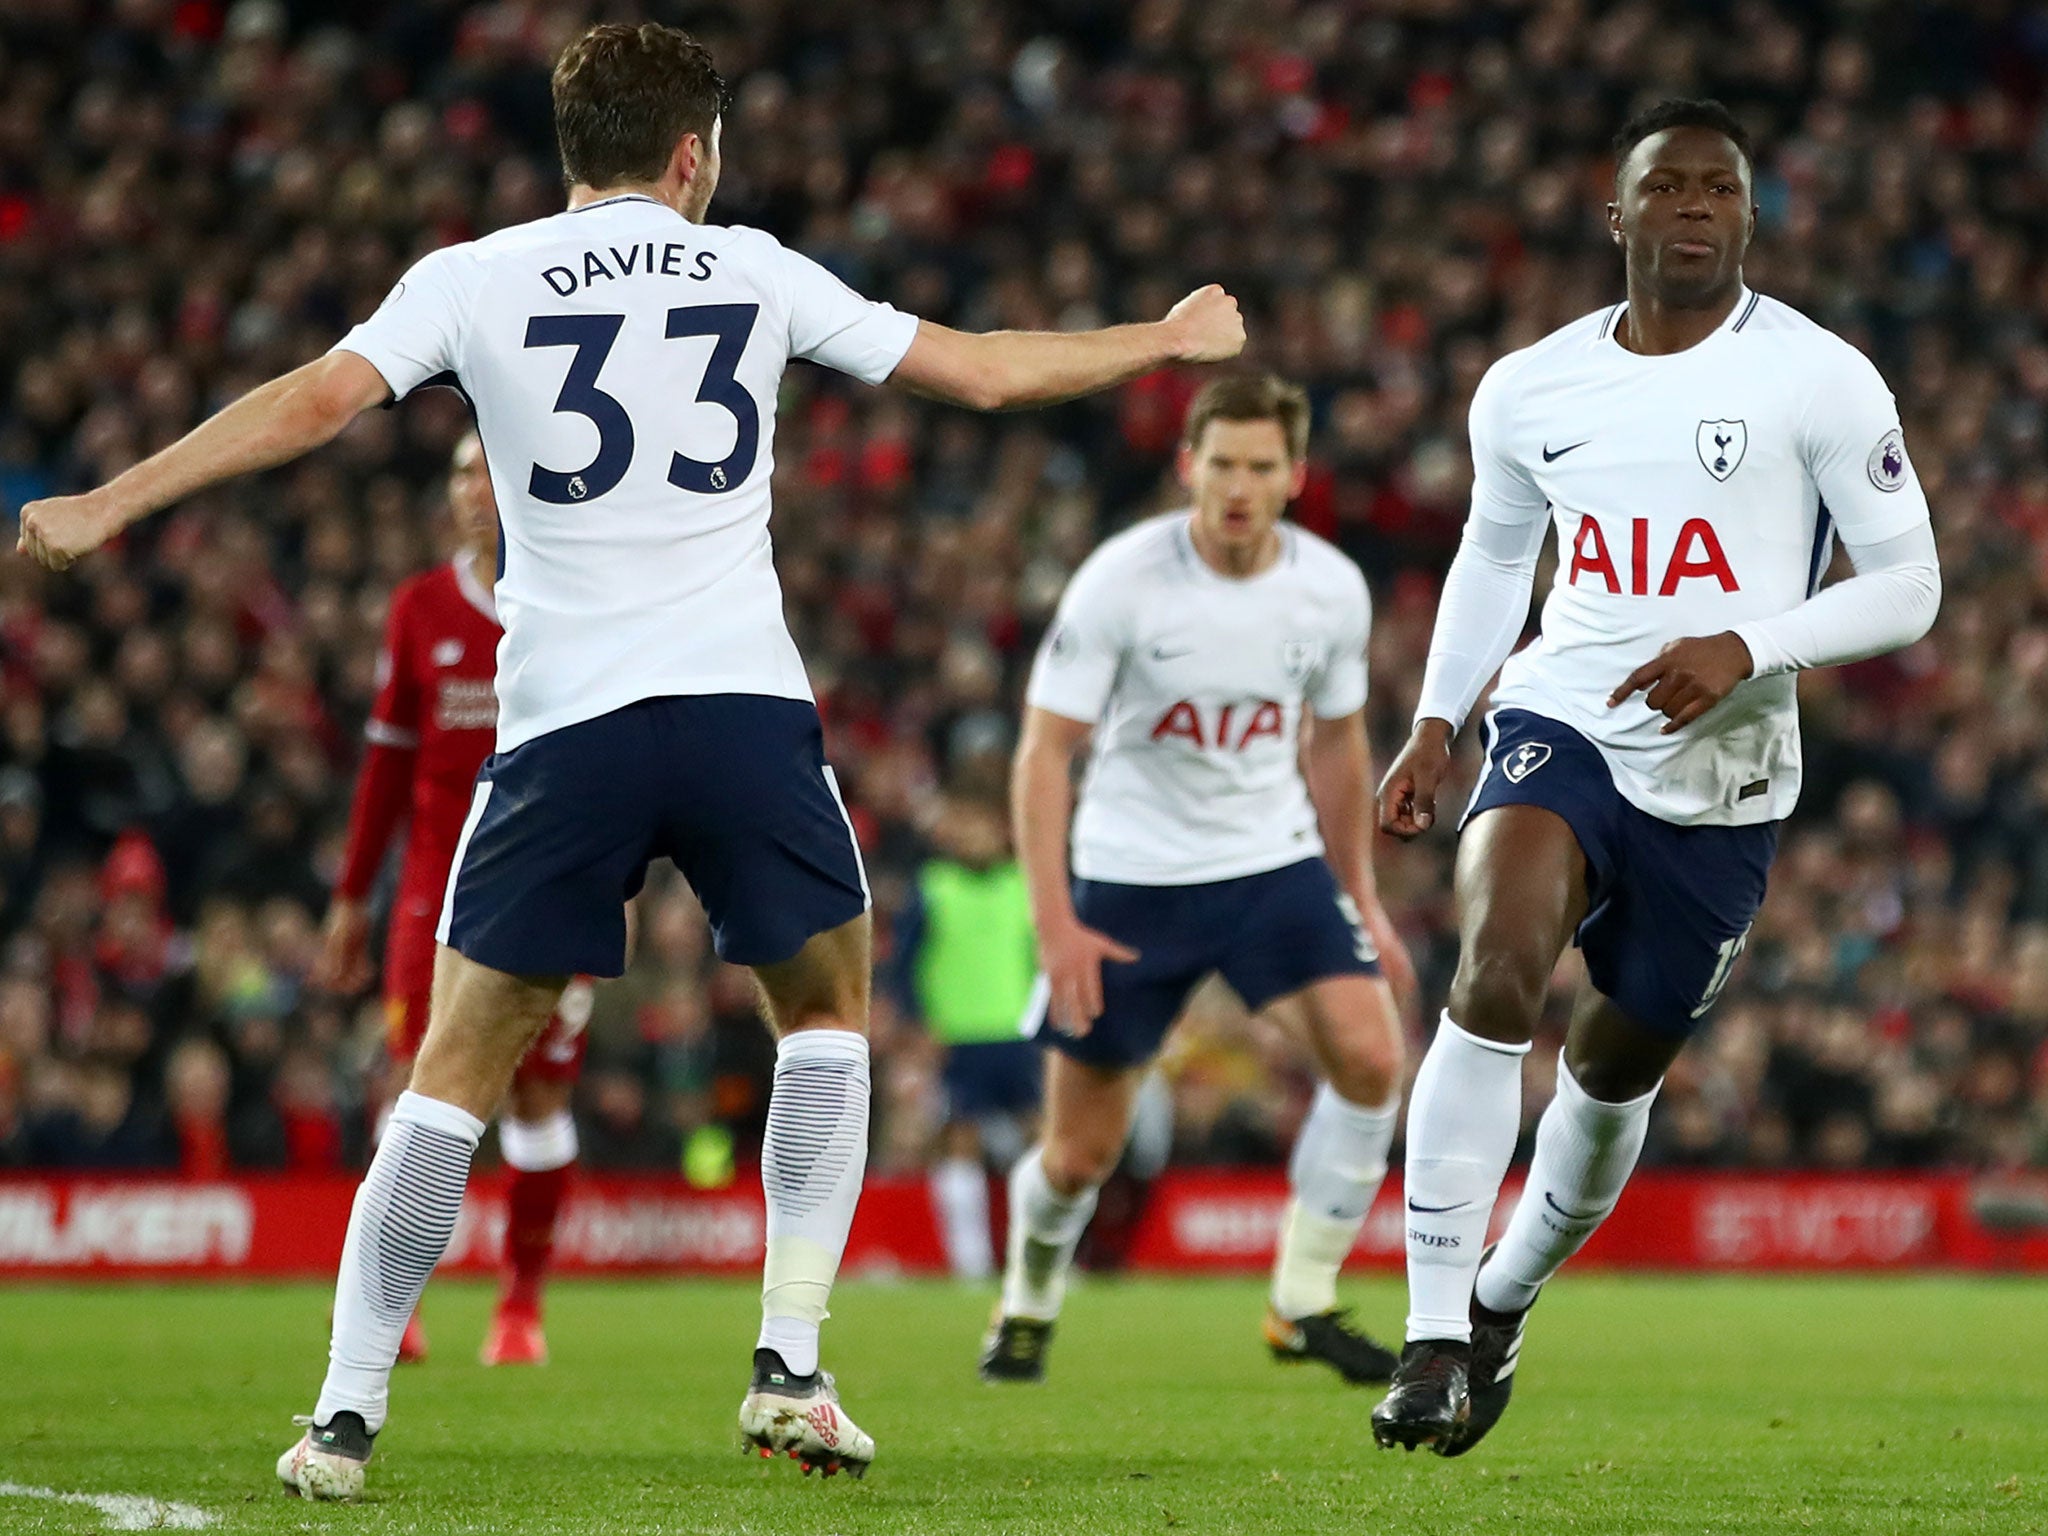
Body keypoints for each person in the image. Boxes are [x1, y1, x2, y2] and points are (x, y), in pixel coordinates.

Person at [15, 21, 1243, 1499]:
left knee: (457, 1066)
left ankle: (343, 1415)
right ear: (690, 153)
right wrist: (1165, 342)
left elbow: (318, 403)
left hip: (567, 725)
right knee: (828, 1014)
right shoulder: (759, 268)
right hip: (739, 710)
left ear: (570, 149)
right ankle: (788, 1363)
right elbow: (979, 375)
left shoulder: (471, 276)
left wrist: (114, 498)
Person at [1368, 98, 1941, 1454]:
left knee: (1612, 1073)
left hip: (1726, 778)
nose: (1695, 206)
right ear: (1616, 215)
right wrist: (1440, 721)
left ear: (1749, 217)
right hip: (1560, 721)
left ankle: (1503, 1306)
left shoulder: (1820, 377)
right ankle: (1432, 1333)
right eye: (1667, 186)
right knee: (1493, 970)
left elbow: (1912, 585)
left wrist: (1749, 644)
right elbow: (1496, 560)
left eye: (1721, 189)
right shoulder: (1529, 386)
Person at [983, 372, 1416, 1388]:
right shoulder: (1119, 583)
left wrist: (1358, 896)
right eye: (1218, 462)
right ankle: (1026, 1300)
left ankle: (1298, 1302)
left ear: (1292, 477)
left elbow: (1338, 745)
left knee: (1368, 1057)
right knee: (1078, 1157)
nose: (1236, 484)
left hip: (1269, 867)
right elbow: (1043, 754)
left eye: (1259, 465)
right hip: (1131, 883)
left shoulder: (1329, 589)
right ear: (1187, 465)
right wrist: (1055, 925)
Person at [312, 431, 592, 1369]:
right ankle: (395, 1302)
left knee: (538, 1093)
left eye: (488, 471)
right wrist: (351, 897)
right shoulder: (419, 608)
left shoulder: (571, 595)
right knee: (414, 1086)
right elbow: (386, 765)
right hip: (434, 894)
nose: (474, 489)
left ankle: (521, 1308)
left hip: (556, 877)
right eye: (461, 474)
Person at [891, 792, 1040, 1279]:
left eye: (981, 824)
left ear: (1001, 829)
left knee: (1041, 1144)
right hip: (955, 1037)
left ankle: (1042, 1260)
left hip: (1019, 1035)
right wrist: (918, 1024)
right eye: (964, 824)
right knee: (960, 1141)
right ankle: (970, 1263)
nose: (972, 835)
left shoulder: (1026, 884)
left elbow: (1045, 963)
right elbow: (903, 965)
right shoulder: (934, 886)